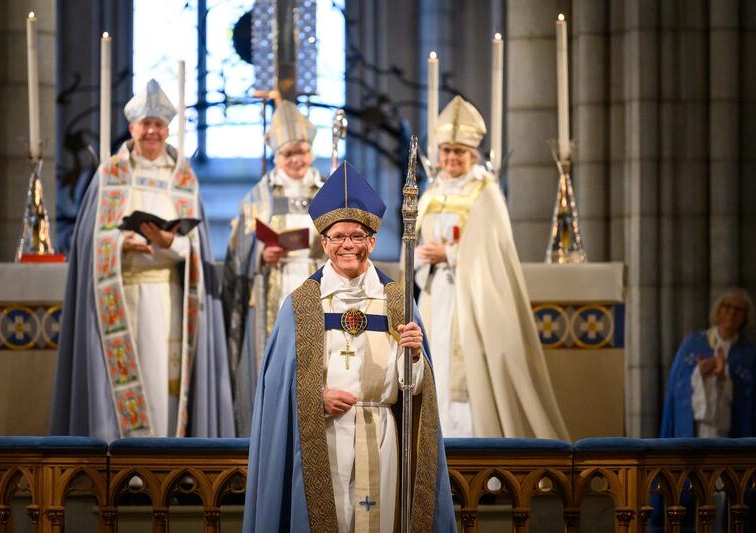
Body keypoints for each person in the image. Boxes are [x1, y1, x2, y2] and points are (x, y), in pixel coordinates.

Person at [243, 162, 456, 532]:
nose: (347, 246)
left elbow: (416, 393)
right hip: (324, 438)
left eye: (357, 236)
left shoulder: (397, 299)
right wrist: (315, 397)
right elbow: (276, 389)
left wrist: (415, 356)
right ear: (324, 242)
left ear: (372, 240)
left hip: (383, 435)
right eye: (338, 236)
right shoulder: (302, 302)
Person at [50, 79, 235, 440]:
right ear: (132, 128)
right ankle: (125, 468)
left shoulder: (183, 179)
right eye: (145, 124)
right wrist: (120, 243)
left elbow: (196, 246)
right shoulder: (110, 175)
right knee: (128, 380)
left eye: (159, 125)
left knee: (167, 384)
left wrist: (171, 243)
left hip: (169, 298)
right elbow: (88, 240)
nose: (152, 131)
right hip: (122, 298)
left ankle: (167, 462)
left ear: (168, 130)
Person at [414, 95, 570, 439]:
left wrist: (451, 255)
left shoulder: (485, 193)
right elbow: (417, 243)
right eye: (446, 151)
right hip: (435, 294)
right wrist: (423, 259)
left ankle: (475, 459)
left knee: (472, 376)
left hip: (474, 300)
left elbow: (492, 251)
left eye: (459, 152)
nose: (451, 158)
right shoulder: (430, 193)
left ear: (472, 155)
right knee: (434, 366)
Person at [223, 100, 326, 435]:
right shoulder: (258, 198)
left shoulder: (328, 192)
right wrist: (260, 256)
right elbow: (238, 252)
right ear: (276, 157)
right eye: (288, 154)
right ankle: (273, 434)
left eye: (302, 151)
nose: (297, 160)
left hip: (318, 286)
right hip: (274, 289)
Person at [660, 288, 756, 438]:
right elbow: (677, 388)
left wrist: (725, 378)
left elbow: (749, 398)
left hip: (730, 432)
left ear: (745, 318)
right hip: (695, 428)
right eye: (727, 306)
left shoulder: (748, 354)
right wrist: (700, 373)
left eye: (739, 309)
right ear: (718, 311)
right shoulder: (692, 344)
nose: (732, 313)